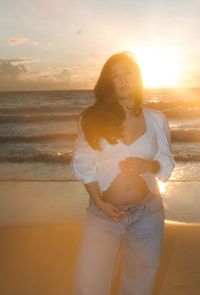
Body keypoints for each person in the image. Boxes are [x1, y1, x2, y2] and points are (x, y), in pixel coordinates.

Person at [71, 51, 176, 295]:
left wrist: (147, 166)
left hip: (148, 213)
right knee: (88, 285)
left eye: (128, 73)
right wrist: (99, 202)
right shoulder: (92, 119)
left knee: (139, 283)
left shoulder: (156, 119)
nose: (122, 80)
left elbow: (166, 162)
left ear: (138, 78)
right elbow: (83, 163)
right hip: (103, 214)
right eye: (115, 75)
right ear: (109, 82)